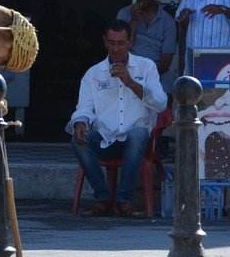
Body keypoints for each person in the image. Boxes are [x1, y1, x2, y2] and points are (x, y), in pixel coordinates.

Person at [67, 19, 168, 218]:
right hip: (105, 137)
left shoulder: (146, 67)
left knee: (138, 134)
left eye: (121, 43)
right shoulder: (94, 73)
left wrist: (130, 82)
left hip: (136, 140)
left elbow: (160, 104)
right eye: (111, 43)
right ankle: (103, 198)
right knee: (78, 140)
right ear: (105, 42)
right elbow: (84, 108)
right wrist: (80, 122)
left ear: (130, 42)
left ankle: (123, 201)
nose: (116, 49)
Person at [115, 0, 177, 93]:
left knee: (169, 87)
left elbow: (166, 59)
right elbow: (121, 48)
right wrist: (134, 20)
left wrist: (150, 78)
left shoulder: (168, 21)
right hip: (128, 70)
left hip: (157, 72)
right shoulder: (124, 14)